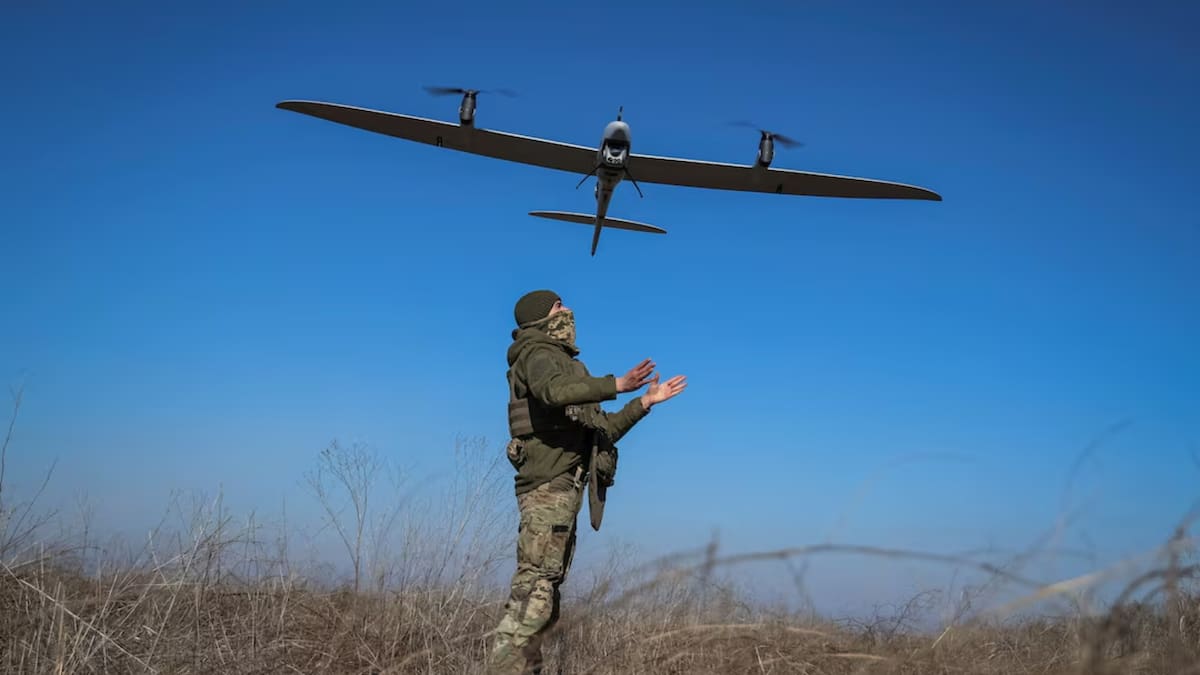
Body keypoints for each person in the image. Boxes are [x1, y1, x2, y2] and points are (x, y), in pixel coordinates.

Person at [488, 289, 687, 675]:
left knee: (545, 593)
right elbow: (552, 392)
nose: (568, 311)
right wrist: (616, 384)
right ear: (540, 317)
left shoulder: (565, 367)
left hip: (564, 490)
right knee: (535, 591)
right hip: (548, 486)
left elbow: (602, 429)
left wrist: (644, 403)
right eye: (559, 307)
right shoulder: (538, 355)